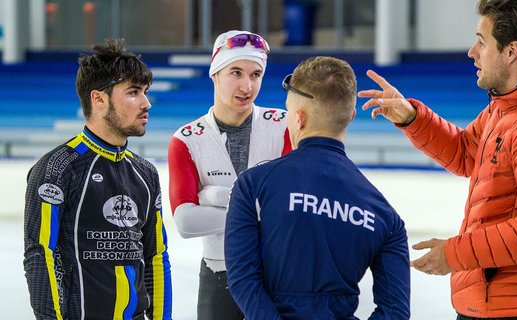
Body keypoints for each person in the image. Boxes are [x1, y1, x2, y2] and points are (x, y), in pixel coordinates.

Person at [359, 0, 517, 319]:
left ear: (510, 51)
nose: (471, 52)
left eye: (481, 41)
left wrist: (454, 254)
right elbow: (465, 154)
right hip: (492, 301)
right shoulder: (504, 109)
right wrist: (411, 118)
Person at [225, 56, 411, 319]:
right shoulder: (385, 216)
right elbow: (396, 311)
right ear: (351, 116)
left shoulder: (254, 184)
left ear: (299, 118)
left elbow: (243, 279)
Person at [23, 38, 172, 319]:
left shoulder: (146, 173)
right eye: (133, 92)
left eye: (145, 92)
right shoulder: (57, 169)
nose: (146, 103)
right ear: (98, 98)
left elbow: (156, 257)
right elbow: (40, 255)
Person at [167, 30, 291, 319]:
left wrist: (213, 197)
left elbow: (287, 210)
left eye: (256, 74)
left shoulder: (284, 126)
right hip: (218, 276)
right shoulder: (187, 139)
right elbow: (185, 222)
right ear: (215, 74)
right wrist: (255, 209)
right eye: (236, 72)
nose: (247, 85)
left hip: (277, 275)